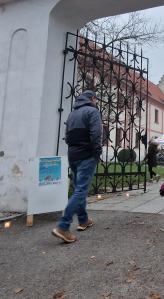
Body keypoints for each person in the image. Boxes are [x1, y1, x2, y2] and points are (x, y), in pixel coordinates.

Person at [52, 90, 102, 243]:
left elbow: (67, 136)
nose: (96, 102)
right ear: (92, 98)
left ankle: (83, 219)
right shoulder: (92, 111)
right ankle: (63, 225)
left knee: (77, 187)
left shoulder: (72, 114)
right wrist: (97, 151)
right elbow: (96, 133)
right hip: (87, 154)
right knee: (81, 189)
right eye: (96, 100)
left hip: (73, 154)